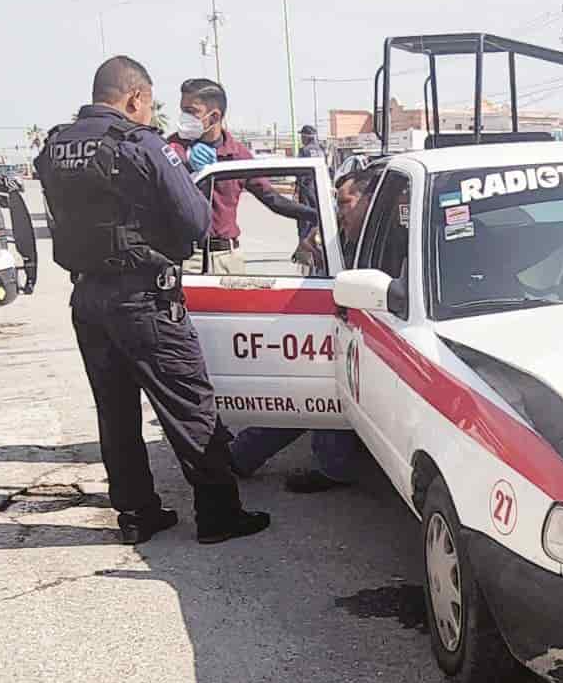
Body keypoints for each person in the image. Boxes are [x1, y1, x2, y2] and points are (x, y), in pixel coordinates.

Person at [35, 56, 269, 544]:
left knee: (115, 412)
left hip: (87, 297)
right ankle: (219, 515)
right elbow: (196, 222)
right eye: (149, 105)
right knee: (189, 406)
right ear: (135, 98)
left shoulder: (56, 143)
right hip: (144, 298)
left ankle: (138, 514)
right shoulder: (142, 144)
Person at [229, 166, 378, 493]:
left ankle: (245, 456)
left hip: (368, 343)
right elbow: (301, 258)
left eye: (345, 203)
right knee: (307, 392)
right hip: (341, 336)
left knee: (314, 394)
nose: (339, 213)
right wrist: (315, 244)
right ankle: (241, 456)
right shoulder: (342, 238)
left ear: (369, 201)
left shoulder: (384, 238)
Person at [170, 79, 317, 274]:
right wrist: (187, 165)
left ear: (214, 117)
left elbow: (272, 198)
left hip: (226, 258)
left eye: (191, 111)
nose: (184, 117)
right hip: (187, 257)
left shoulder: (238, 155)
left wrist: (317, 215)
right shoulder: (172, 148)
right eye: (182, 110)